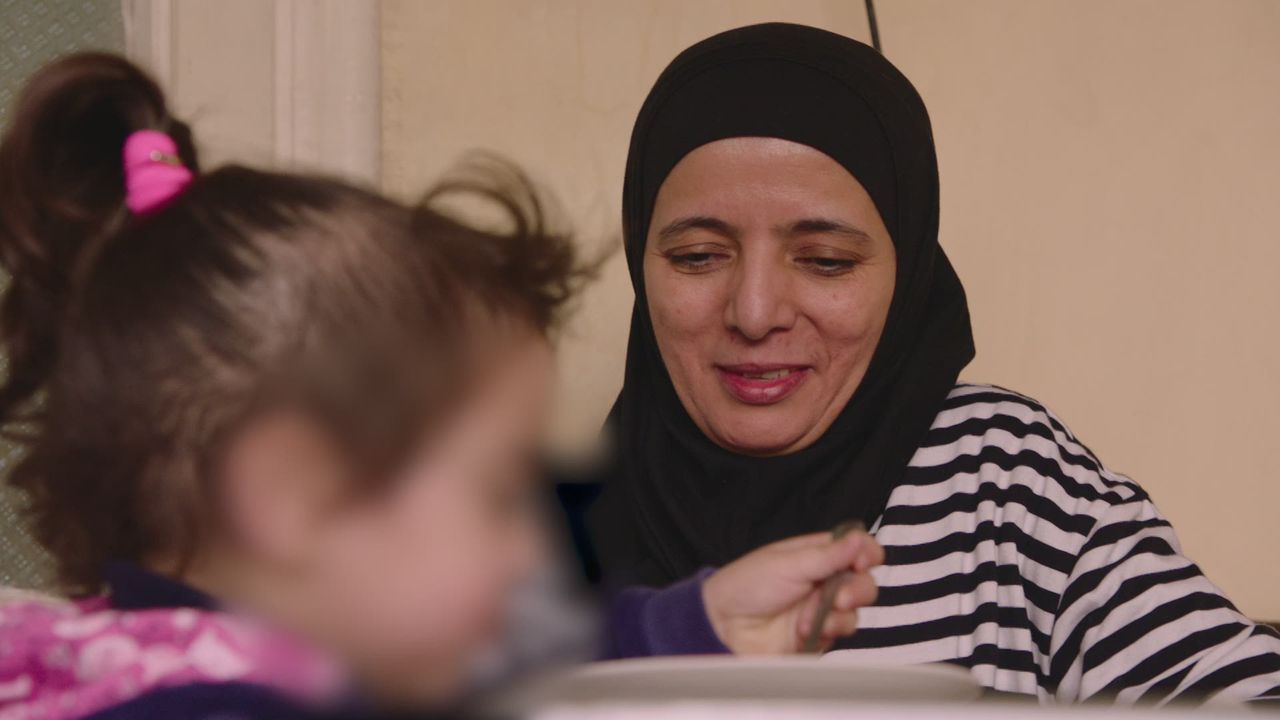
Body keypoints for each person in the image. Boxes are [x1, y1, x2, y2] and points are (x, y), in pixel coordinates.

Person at [0, 53, 881, 719]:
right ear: (292, 491)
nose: (527, 544)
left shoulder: (205, 651)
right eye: (494, 494)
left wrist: (696, 621)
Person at [587, 22, 1280, 705]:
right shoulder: (547, 528)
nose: (755, 311)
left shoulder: (1006, 479)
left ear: (908, 273)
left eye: (826, 261)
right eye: (698, 256)